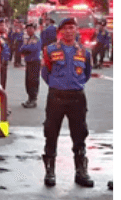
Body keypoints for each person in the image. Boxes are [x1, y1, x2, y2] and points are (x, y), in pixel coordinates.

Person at [40, 17, 94, 187]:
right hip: (56, 97)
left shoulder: (84, 52)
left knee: (80, 134)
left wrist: (74, 85)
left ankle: (81, 172)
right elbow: (45, 72)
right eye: (66, 28)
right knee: (51, 133)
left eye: (72, 27)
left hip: (77, 98)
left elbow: (87, 73)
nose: (69, 31)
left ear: (77, 30)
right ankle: (50, 171)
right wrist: (58, 85)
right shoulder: (50, 50)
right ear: (60, 31)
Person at [19, 22, 42, 108]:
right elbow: (21, 48)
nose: (28, 30)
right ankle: (30, 98)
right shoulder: (28, 38)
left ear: (34, 29)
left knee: (33, 81)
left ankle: (33, 100)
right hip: (29, 62)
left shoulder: (36, 38)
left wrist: (25, 48)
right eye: (27, 28)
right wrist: (25, 48)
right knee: (28, 81)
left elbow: (32, 48)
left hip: (34, 62)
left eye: (30, 28)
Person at [0, 18, 10, 90]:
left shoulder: (4, 36)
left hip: (4, 62)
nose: (3, 27)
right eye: (1, 25)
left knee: (3, 80)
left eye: (4, 25)